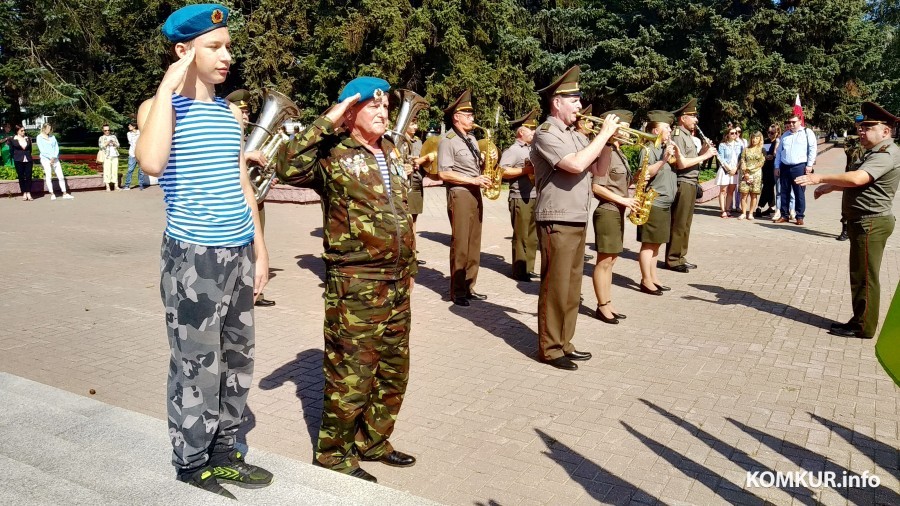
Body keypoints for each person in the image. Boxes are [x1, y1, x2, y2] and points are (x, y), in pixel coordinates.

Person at [135, 4, 272, 498]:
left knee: (237, 359)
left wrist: (259, 247)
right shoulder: (159, 109)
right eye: (214, 46)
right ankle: (191, 464)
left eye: (227, 45)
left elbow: (240, 182)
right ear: (183, 50)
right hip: (193, 257)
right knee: (195, 364)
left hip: (236, 250)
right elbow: (150, 161)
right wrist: (168, 88)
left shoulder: (227, 113)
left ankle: (223, 452)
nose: (226, 55)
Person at [276, 76, 418, 483]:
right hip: (355, 283)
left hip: (396, 281)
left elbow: (404, 215)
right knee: (350, 373)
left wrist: (410, 270)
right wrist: (329, 118)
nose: (382, 110)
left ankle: (372, 441)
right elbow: (285, 165)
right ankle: (334, 453)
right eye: (372, 105)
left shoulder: (391, 150)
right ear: (351, 110)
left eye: (385, 105)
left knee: (393, 369)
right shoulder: (330, 152)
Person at [530, 65, 620, 371]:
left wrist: (607, 142)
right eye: (574, 101)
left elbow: (599, 171)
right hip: (556, 217)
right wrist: (603, 133)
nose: (580, 107)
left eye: (580, 100)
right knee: (556, 285)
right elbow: (574, 164)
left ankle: (564, 342)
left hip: (577, 216)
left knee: (570, 287)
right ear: (557, 103)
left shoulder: (577, 135)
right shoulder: (546, 133)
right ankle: (550, 348)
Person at [797, 102, 900, 340]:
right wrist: (830, 186)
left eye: (868, 127)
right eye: (861, 126)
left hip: (870, 222)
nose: (861, 131)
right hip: (864, 221)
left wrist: (819, 177)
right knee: (860, 275)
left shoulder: (886, 154)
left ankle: (863, 326)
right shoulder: (877, 152)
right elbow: (860, 182)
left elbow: (858, 178)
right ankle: (859, 319)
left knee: (865, 277)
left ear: (885, 131)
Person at [437, 90, 490, 306]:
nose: (472, 118)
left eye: (472, 114)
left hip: (475, 192)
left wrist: (484, 164)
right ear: (456, 117)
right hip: (459, 194)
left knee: (474, 242)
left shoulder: (472, 139)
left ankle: (470, 286)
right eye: (467, 115)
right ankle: (457, 291)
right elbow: (443, 173)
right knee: (461, 243)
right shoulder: (448, 141)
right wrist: (473, 180)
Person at [226, 88, 276, 308]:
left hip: (255, 199)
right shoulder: (224, 133)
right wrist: (247, 156)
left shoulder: (247, 136)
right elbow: (224, 163)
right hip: (235, 200)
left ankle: (254, 291)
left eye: (246, 113)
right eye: (242, 112)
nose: (246, 117)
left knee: (256, 243)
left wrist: (268, 174)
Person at [590, 109, 639, 322]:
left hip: (617, 210)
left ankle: (608, 302)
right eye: (624, 129)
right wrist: (624, 200)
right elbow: (596, 187)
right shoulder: (605, 151)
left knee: (612, 261)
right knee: (604, 261)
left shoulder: (618, 152)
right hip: (607, 211)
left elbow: (620, 183)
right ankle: (601, 305)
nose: (628, 134)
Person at [666, 99, 717, 272]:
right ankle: (673, 259)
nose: (696, 120)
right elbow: (682, 164)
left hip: (691, 182)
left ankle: (680, 255)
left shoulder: (688, 136)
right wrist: (705, 156)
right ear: (683, 118)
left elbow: (692, 160)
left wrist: (704, 150)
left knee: (686, 223)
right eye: (692, 116)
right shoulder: (678, 136)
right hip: (683, 182)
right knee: (679, 223)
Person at [636, 111, 678, 298]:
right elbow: (645, 174)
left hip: (665, 203)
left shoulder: (665, 147)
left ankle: (653, 277)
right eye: (666, 127)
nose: (670, 130)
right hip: (653, 201)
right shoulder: (648, 150)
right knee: (648, 244)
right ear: (655, 130)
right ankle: (645, 280)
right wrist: (663, 160)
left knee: (657, 244)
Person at [500, 108, 539, 281]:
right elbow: (502, 171)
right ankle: (519, 270)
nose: (534, 132)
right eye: (531, 129)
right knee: (521, 236)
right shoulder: (513, 150)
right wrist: (526, 170)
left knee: (532, 236)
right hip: (519, 197)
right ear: (521, 132)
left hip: (534, 196)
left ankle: (528, 268)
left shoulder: (534, 149)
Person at [774, 114, 817, 225]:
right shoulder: (785, 135)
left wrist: (809, 165)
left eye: (794, 122)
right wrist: (777, 166)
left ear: (800, 121)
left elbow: (813, 148)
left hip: (799, 166)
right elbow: (779, 152)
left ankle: (799, 216)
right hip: (785, 166)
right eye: (790, 122)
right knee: (784, 192)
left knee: (799, 192)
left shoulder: (807, 133)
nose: (791, 124)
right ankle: (784, 215)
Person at [405, 114, 428, 266]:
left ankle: (412, 252)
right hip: (406, 184)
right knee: (406, 221)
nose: (416, 127)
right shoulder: (398, 141)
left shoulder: (419, 142)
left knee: (413, 220)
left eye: (416, 124)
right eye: (412, 123)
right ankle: (407, 254)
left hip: (417, 182)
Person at [838, 126, 866, 241]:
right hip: (850, 174)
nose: (860, 128)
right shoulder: (851, 138)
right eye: (859, 124)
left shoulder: (871, 141)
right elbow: (850, 153)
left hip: (864, 175)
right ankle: (845, 230)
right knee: (846, 203)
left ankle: (859, 229)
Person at [36, 123, 74, 200]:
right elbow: (42, 150)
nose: (49, 130)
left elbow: (56, 147)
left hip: (55, 158)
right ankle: (52, 193)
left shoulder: (52, 137)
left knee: (60, 176)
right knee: (48, 175)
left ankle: (65, 193)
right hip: (46, 159)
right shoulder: (39, 137)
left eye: (50, 129)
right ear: (43, 128)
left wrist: (54, 156)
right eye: (47, 128)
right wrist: (50, 158)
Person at [715, 126, 743, 218]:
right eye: (732, 133)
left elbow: (741, 158)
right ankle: (723, 210)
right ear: (727, 134)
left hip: (735, 170)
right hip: (725, 170)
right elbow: (721, 158)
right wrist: (728, 169)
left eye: (736, 133)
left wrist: (735, 168)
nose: (734, 135)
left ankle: (728, 209)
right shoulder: (723, 145)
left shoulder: (739, 144)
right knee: (723, 190)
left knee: (731, 190)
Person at [738, 131, 765, 220]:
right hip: (745, 174)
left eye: (757, 138)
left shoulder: (762, 149)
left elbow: (761, 162)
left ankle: (750, 213)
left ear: (760, 139)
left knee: (754, 194)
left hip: (756, 174)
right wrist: (745, 171)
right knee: (744, 194)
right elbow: (742, 159)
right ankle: (743, 213)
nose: (754, 140)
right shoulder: (746, 149)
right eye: (753, 138)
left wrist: (750, 169)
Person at [756, 123, 780, 217]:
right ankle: (772, 207)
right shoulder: (765, 141)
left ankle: (760, 206)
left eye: (772, 133)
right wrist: (764, 156)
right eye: (768, 132)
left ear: (777, 132)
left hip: (774, 167)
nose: (770, 134)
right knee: (768, 187)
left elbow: (779, 154)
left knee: (767, 186)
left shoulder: (778, 142)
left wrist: (773, 156)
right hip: (765, 167)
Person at [9, 125, 34, 201]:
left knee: (29, 176)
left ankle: (28, 192)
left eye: (24, 130)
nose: (23, 132)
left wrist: (28, 156)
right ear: (17, 131)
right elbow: (11, 150)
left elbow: (30, 149)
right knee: (21, 176)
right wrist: (16, 157)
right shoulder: (13, 139)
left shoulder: (27, 139)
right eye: (21, 131)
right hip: (18, 160)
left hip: (28, 160)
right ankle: (24, 192)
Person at [123, 122, 146, 190]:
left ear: (134, 126)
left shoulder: (140, 132)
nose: (128, 126)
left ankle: (141, 185)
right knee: (130, 170)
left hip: (140, 154)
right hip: (132, 154)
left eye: (130, 125)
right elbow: (131, 142)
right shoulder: (129, 134)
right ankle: (127, 185)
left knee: (141, 170)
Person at [98, 124, 120, 191]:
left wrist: (114, 143)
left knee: (115, 170)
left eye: (108, 130)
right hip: (106, 156)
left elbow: (118, 145)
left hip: (114, 155)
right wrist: (107, 143)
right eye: (105, 130)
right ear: (103, 131)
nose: (107, 131)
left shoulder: (113, 136)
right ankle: (107, 186)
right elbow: (100, 146)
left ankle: (116, 185)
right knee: (107, 171)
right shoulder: (101, 138)